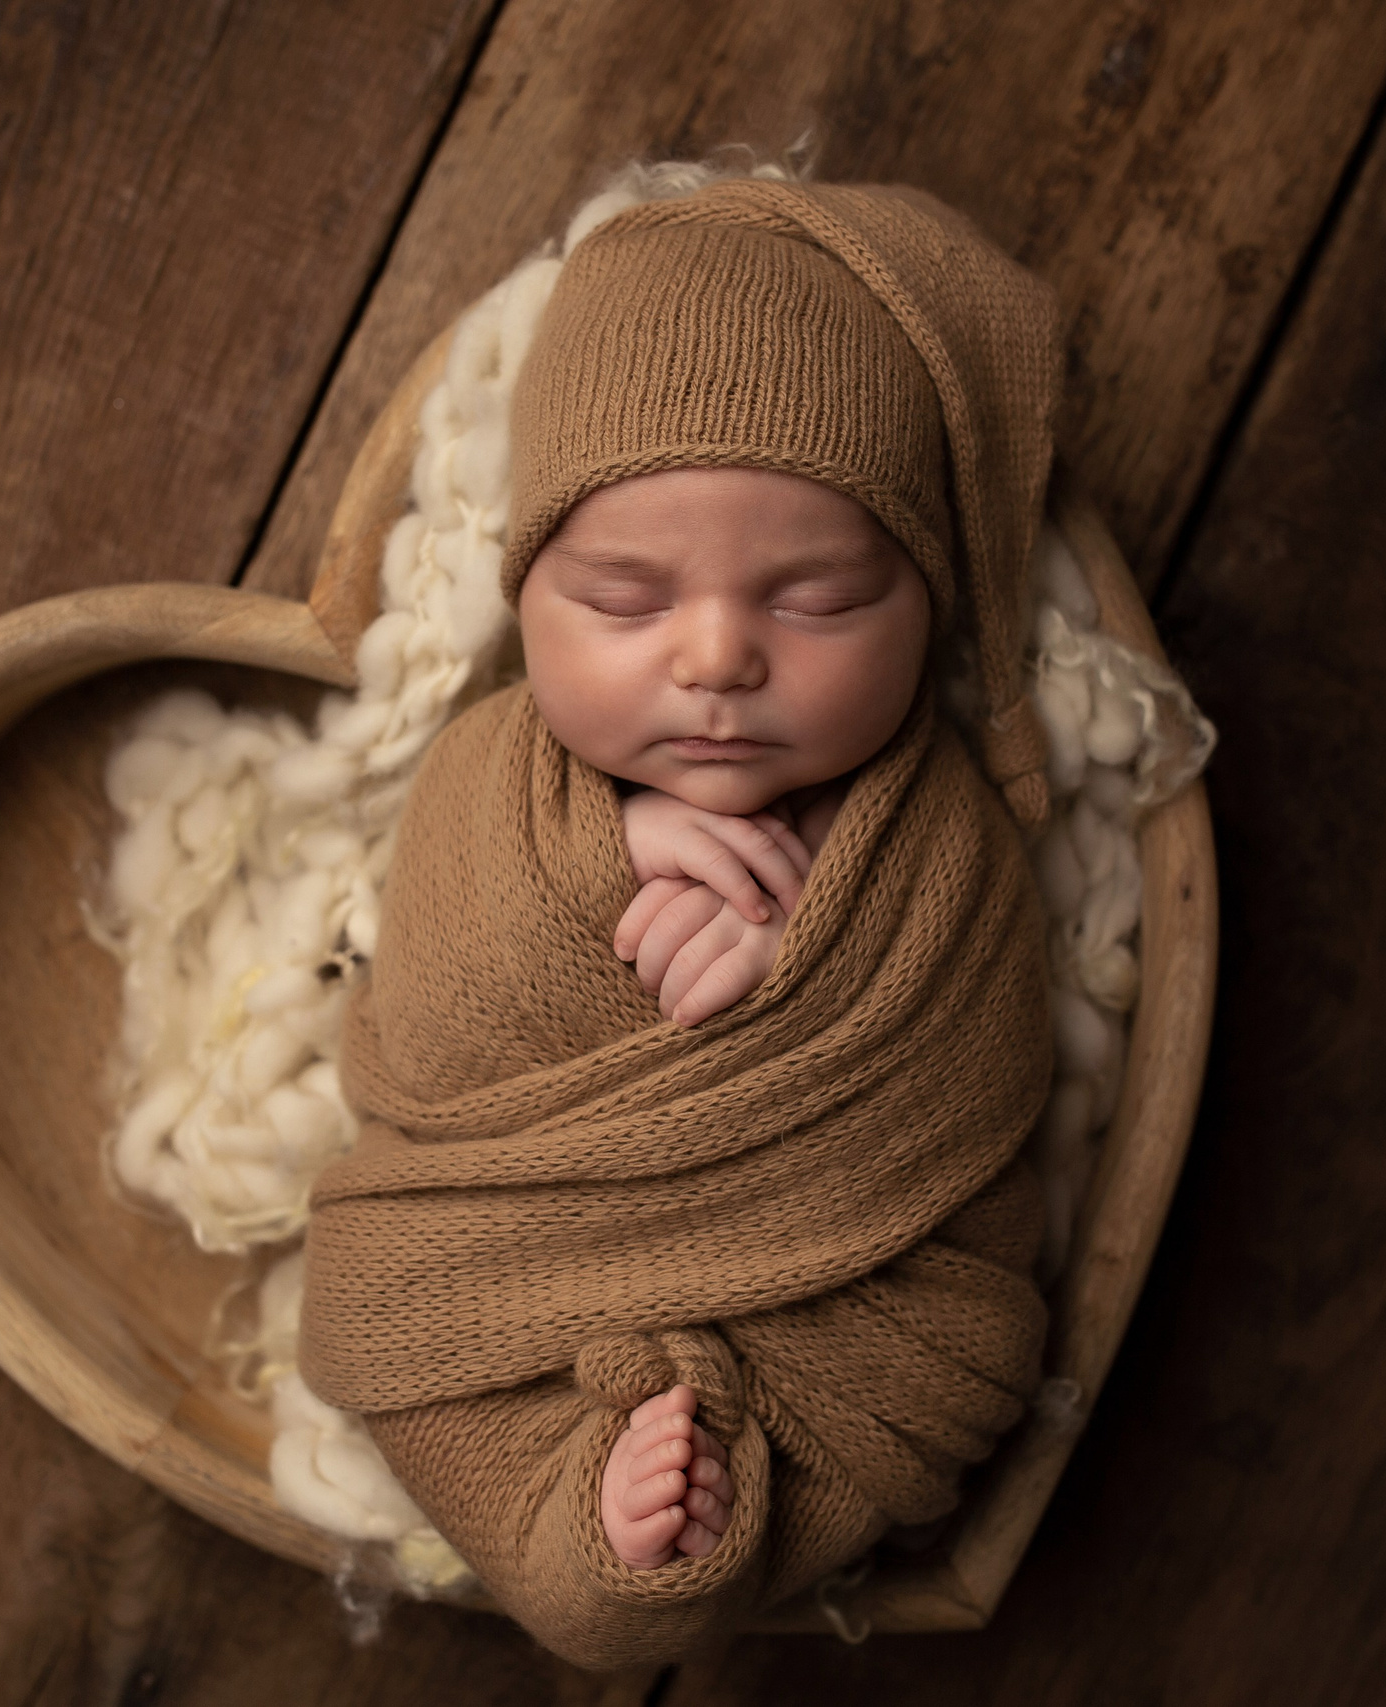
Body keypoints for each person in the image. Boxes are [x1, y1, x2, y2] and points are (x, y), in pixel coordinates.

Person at [299, 175, 1063, 1667]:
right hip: (492, 1277)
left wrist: (811, 977)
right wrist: (604, 865)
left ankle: (687, 1542)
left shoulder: (942, 837)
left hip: (837, 1308)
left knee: (929, 1375)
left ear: (930, 603)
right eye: (623, 600)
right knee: (404, 1347)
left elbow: (985, 1063)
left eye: (819, 600)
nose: (717, 658)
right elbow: (437, 1015)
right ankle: (585, 1554)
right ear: (526, 595)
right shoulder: (486, 777)